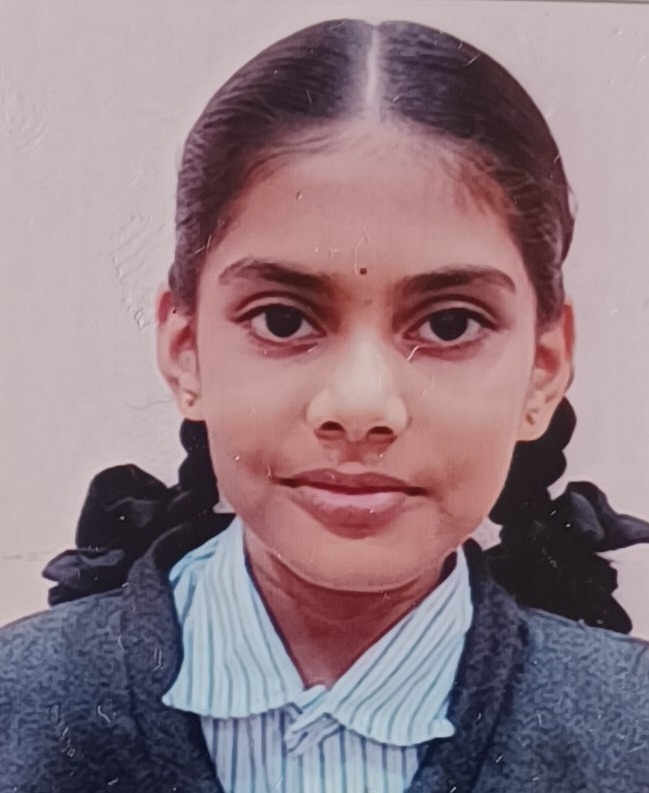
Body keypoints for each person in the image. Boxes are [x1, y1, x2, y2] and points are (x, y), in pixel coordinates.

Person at [1, 17, 649, 793]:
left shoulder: (630, 737)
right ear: (185, 347)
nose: (361, 404)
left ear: (544, 369)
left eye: (449, 324)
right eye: (283, 319)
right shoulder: (20, 712)